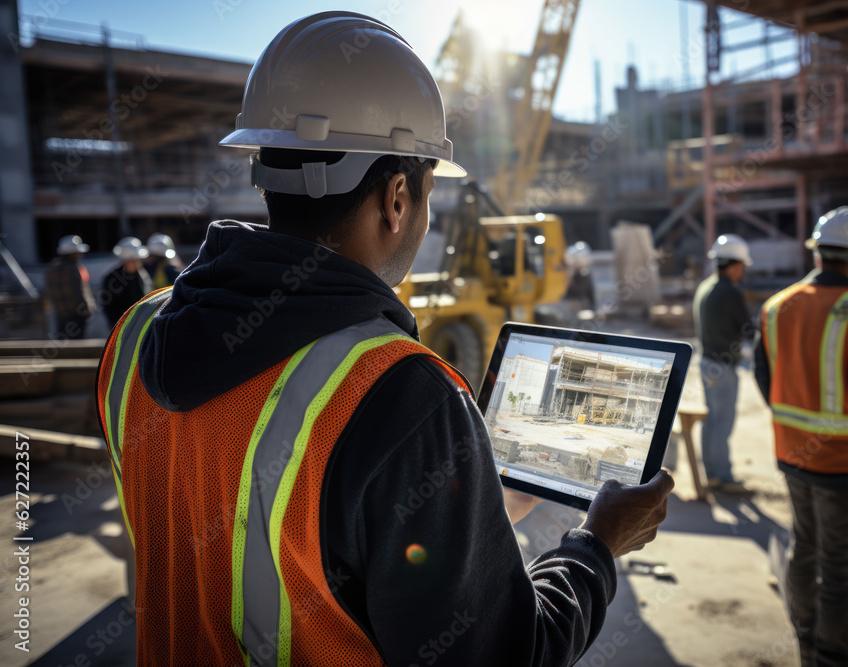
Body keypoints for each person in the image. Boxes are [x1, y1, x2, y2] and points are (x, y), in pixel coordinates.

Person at [95, 13, 675, 666]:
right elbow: (506, 655)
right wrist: (597, 541)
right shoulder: (401, 392)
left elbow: (265, 526)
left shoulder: (137, 331)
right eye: (428, 194)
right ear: (397, 197)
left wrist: (463, 515)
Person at [753, 206, 848, 667]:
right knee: (839, 569)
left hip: (792, 456)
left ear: (818, 252)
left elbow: (766, 378)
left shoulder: (776, 307)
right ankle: (831, 658)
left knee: (805, 547)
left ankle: (805, 644)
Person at [692, 234, 754, 493]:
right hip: (723, 367)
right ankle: (724, 477)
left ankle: (713, 474)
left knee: (712, 420)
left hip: (706, 362)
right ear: (736, 264)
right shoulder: (730, 291)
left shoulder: (705, 286)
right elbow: (747, 330)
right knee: (723, 422)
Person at [44, 235, 97, 339]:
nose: (79, 255)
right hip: (75, 315)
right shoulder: (72, 269)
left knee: (63, 342)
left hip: (60, 314)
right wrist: (86, 309)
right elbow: (78, 291)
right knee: (77, 343)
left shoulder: (51, 269)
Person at [102, 236, 152, 327]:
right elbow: (107, 304)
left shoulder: (142, 274)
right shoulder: (112, 279)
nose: (137, 261)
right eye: (134, 259)